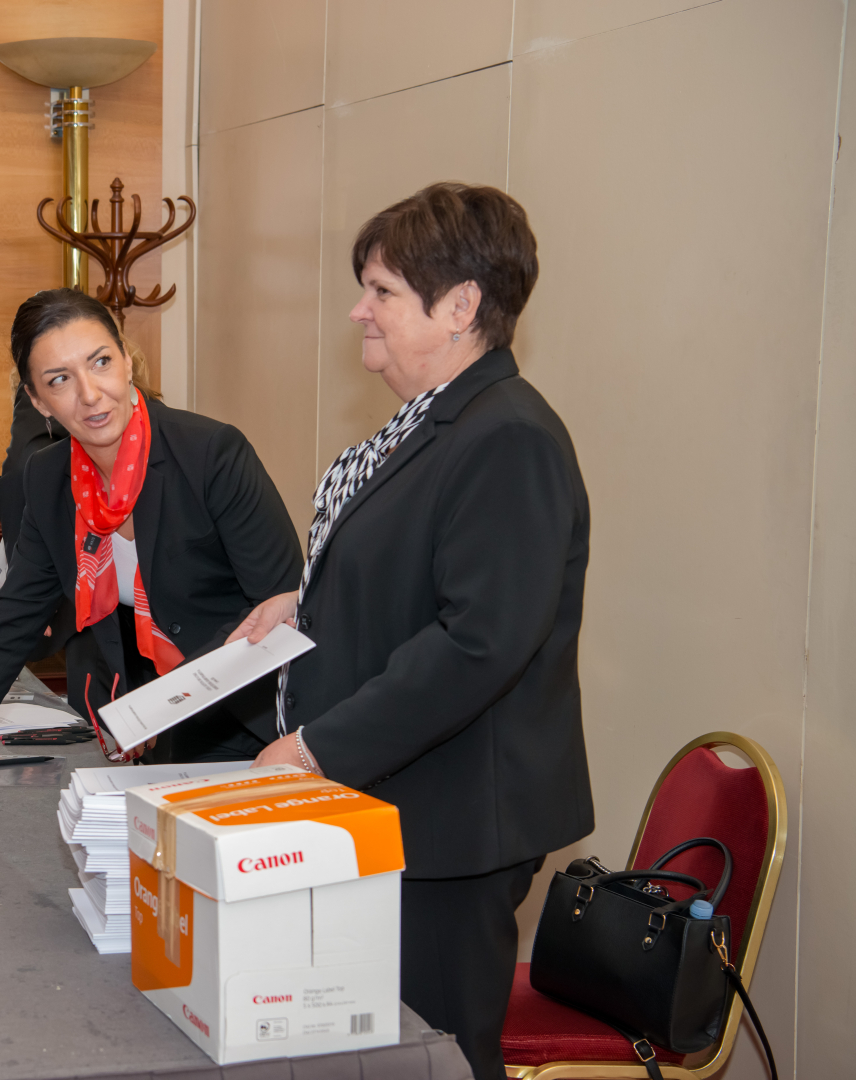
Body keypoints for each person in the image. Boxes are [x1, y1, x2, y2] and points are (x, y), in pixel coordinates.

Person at [230, 182, 593, 1080]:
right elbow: (417, 578)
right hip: (402, 803)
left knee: (436, 1057)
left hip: (452, 821)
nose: (359, 310)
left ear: (461, 306)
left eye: (382, 291)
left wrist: (315, 747)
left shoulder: (507, 436)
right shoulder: (428, 424)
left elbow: (481, 641)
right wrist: (305, 601)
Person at [0, 289, 302, 809]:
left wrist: (163, 705)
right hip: (141, 714)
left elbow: (281, 603)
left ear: (127, 361)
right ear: (37, 400)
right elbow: (14, 619)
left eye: (101, 362)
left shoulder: (211, 453)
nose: (91, 393)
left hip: (250, 714)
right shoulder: (49, 478)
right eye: (60, 380)